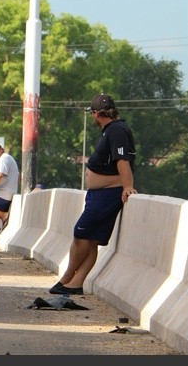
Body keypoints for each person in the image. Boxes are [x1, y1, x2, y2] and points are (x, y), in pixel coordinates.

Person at [50, 94, 136, 295]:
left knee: (81, 235)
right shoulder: (112, 130)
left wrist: (127, 186)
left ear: (96, 114)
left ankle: (67, 277)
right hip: (99, 195)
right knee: (91, 239)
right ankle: (75, 283)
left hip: (106, 196)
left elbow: (122, 160)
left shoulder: (117, 130)